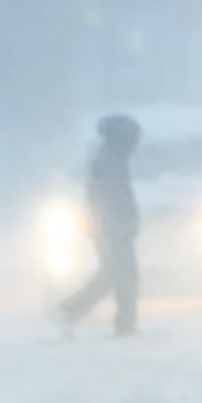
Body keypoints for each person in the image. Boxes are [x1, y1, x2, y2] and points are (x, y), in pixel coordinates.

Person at [60, 114, 141, 335]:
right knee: (119, 276)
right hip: (112, 231)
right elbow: (106, 199)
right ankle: (70, 311)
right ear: (120, 138)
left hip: (112, 230)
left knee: (115, 275)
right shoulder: (107, 163)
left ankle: (71, 311)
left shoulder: (110, 160)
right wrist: (115, 226)